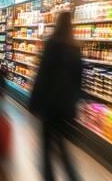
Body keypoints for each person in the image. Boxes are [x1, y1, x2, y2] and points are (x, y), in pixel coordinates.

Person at [30, 11, 82, 181]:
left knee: (46, 148)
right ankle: (73, 177)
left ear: (57, 23)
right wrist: (74, 103)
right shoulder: (75, 46)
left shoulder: (52, 43)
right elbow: (79, 80)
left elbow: (43, 74)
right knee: (62, 146)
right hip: (66, 106)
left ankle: (49, 177)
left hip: (50, 104)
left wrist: (33, 101)